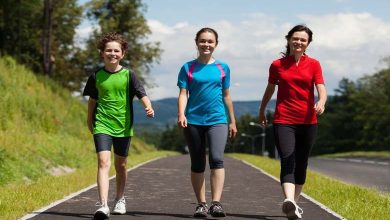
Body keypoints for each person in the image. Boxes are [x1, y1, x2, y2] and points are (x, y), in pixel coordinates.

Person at [82, 32, 154, 219]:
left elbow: (141, 93)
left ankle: (120, 199)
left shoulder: (129, 75)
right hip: (102, 124)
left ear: (122, 54)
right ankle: (103, 205)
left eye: (116, 51)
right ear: (102, 53)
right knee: (103, 162)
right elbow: (92, 100)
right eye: (108, 50)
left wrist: (148, 107)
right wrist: (90, 120)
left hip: (123, 125)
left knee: (121, 165)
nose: (112, 53)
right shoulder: (96, 76)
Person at [258, 24, 327, 219]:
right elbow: (270, 90)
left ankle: (293, 205)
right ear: (289, 39)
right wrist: (262, 110)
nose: (298, 42)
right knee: (288, 159)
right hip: (284, 119)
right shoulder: (277, 65)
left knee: (302, 162)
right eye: (295, 38)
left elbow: (321, 88)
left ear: (308, 44)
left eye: (303, 40)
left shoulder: (314, 64)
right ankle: (289, 200)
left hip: (308, 120)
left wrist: (321, 101)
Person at [177, 27, 238, 218]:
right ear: (197, 43)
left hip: (217, 120)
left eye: (210, 41)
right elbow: (183, 94)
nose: (206, 44)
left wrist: (232, 121)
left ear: (216, 44)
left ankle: (216, 203)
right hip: (193, 120)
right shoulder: (187, 67)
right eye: (203, 41)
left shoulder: (223, 68)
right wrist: (181, 114)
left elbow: (226, 96)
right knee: (197, 162)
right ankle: (201, 204)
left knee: (217, 159)